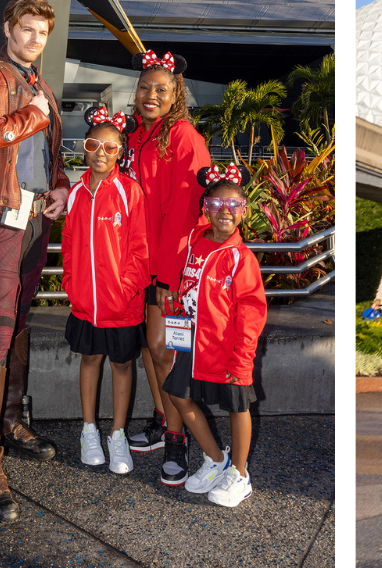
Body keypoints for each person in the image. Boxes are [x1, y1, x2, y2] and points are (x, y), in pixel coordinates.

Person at [0, 0, 71, 524]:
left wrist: (61, 188)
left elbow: (50, 157)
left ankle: (9, 420)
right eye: (26, 29)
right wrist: (31, 114)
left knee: (20, 322)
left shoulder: (42, 88)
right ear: (8, 27)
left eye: (41, 33)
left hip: (35, 218)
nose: (33, 39)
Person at [118, 50, 213, 486]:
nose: (150, 95)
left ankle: (178, 439)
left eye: (161, 89)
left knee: (163, 350)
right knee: (146, 348)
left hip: (168, 265)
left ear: (176, 94)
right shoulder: (137, 135)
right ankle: (161, 419)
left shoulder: (182, 137)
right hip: (136, 263)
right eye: (144, 87)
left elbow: (185, 211)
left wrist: (168, 275)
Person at [167, 164, 268, 508]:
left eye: (233, 206)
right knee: (178, 395)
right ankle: (215, 459)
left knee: (237, 406)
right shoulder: (196, 241)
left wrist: (243, 358)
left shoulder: (241, 258)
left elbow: (252, 312)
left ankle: (240, 474)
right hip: (190, 341)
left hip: (227, 348)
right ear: (205, 208)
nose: (224, 212)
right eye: (215, 205)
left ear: (244, 210)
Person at [62, 107, 151, 475]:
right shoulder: (76, 193)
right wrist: (72, 285)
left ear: (121, 152)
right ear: (84, 148)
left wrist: (125, 291)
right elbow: (68, 244)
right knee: (89, 360)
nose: (101, 152)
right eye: (94, 144)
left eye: (110, 147)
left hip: (122, 306)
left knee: (122, 366)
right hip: (86, 305)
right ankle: (88, 431)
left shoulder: (130, 192)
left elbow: (140, 250)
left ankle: (117, 435)